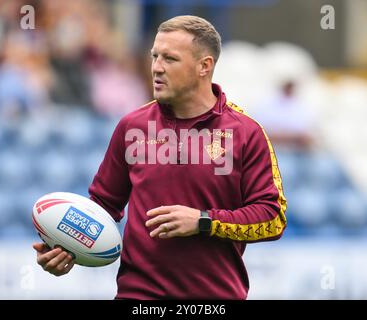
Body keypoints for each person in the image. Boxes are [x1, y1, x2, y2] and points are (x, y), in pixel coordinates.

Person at [33, 15, 287, 300]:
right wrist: (66, 250)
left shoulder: (245, 132)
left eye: (170, 59)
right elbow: (103, 206)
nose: (156, 67)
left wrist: (203, 221)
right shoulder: (133, 126)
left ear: (204, 66)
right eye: (155, 56)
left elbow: (273, 218)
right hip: (138, 297)